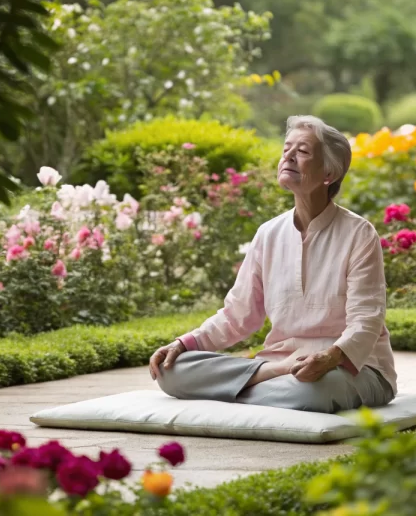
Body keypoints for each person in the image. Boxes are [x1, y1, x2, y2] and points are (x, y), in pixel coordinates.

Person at [148, 115, 397, 414]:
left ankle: (240, 386)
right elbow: (238, 314)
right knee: (171, 371)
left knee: (316, 392)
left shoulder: (359, 234)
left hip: (351, 369)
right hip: (280, 366)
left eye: (302, 151)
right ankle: (270, 376)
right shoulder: (268, 233)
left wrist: (329, 357)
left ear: (329, 172)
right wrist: (186, 344)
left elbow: (365, 321)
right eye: (286, 149)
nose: (288, 157)